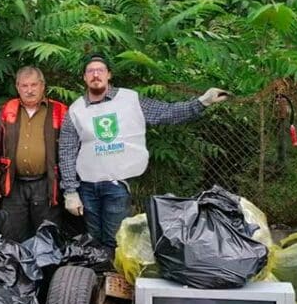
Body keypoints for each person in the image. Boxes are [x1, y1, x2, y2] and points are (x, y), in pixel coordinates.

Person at [58, 53, 230, 247]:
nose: (95, 75)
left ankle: (114, 275)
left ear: (109, 75)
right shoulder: (76, 109)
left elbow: (166, 113)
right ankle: (93, 276)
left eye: (100, 70)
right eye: (90, 71)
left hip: (117, 185)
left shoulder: (130, 100)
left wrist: (201, 102)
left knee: (116, 240)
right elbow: (66, 150)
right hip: (87, 185)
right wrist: (70, 191)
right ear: (84, 77)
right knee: (92, 239)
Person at [0, 66, 68, 241]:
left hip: (46, 184)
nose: (29, 90)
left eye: (33, 85)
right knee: (12, 237)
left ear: (42, 86)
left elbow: (70, 151)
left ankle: (48, 269)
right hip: (13, 184)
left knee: (48, 238)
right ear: (17, 87)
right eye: (24, 86)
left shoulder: (59, 110)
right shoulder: (8, 109)